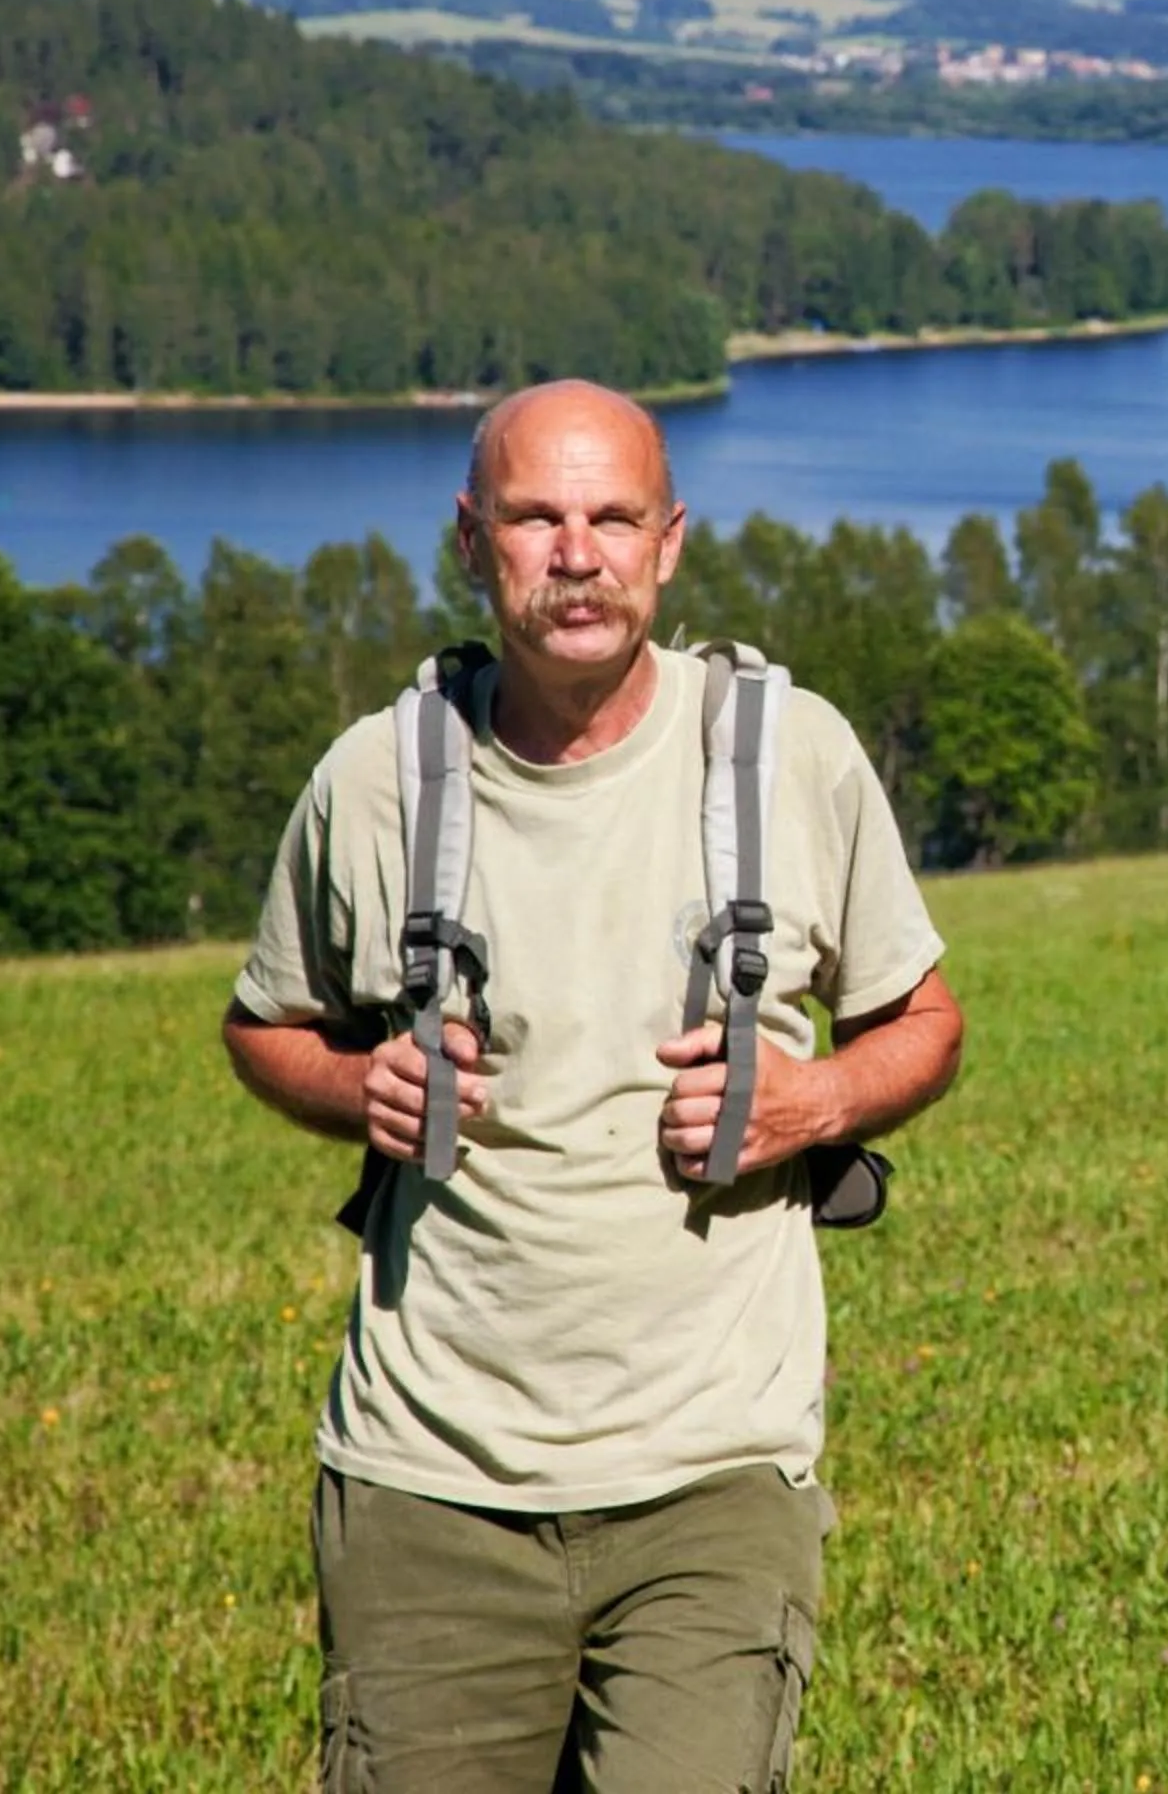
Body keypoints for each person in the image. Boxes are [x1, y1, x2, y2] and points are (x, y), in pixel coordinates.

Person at [222, 378, 963, 1792]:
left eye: (614, 519)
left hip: (715, 1472)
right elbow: (264, 1028)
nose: (577, 556)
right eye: (535, 519)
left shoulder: (786, 755)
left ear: (669, 543)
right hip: (429, 1477)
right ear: (471, 539)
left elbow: (924, 1023)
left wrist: (812, 1105)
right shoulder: (377, 781)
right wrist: (358, 1085)